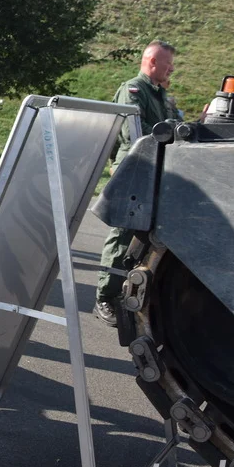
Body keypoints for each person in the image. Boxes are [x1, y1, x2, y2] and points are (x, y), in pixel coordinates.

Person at [95, 40, 176, 326]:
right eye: (168, 65)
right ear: (152, 62)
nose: (172, 69)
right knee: (121, 235)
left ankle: (126, 292)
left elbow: (176, 126)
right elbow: (135, 134)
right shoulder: (134, 90)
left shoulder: (162, 96)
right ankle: (105, 296)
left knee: (141, 237)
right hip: (134, 170)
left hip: (155, 171)